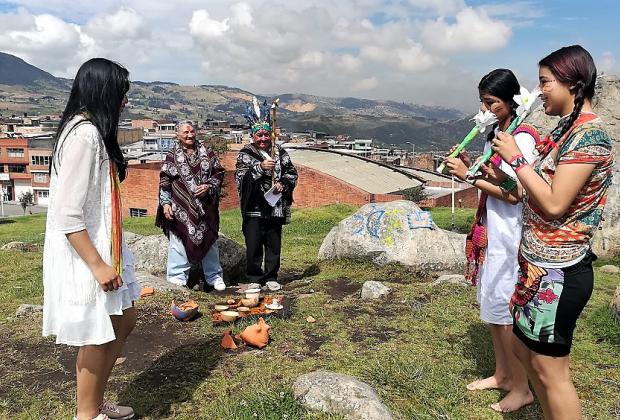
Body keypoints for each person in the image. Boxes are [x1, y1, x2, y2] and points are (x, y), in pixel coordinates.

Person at [492, 45, 614, 420]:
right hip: (537, 267)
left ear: (573, 84)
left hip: (560, 275)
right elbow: (527, 188)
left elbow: (556, 203)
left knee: (551, 371)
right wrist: (486, 171)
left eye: (545, 82)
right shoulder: (565, 130)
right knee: (524, 352)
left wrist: (515, 157)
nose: (539, 90)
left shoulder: (590, 137)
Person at [42, 58, 139, 420]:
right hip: (86, 251)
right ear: (103, 91)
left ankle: (95, 402)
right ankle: (87, 414)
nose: (125, 100)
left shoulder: (91, 131)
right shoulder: (84, 135)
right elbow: (67, 212)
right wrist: (97, 265)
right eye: (121, 93)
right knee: (98, 332)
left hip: (103, 243)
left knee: (123, 320)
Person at [444, 69, 537, 413]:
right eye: (482, 102)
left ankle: (521, 386)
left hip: (510, 234)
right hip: (491, 232)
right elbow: (492, 176)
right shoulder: (495, 134)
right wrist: (471, 165)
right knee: (493, 311)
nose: (485, 109)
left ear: (512, 101)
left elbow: (514, 194)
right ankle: (502, 374)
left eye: (491, 102)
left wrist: (466, 176)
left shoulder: (521, 138)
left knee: (507, 313)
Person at [155, 121, 226, 291]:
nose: (189, 135)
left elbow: (219, 173)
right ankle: (177, 277)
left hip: (206, 207)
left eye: (192, 131)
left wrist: (209, 186)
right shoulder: (172, 155)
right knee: (179, 242)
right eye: (185, 132)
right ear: (178, 135)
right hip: (181, 207)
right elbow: (165, 180)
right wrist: (165, 203)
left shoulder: (207, 152)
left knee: (210, 240)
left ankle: (214, 277)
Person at [235, 98, 298, 287]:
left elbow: (292, 172)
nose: (263, 139)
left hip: (275, 207)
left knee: (273, 243)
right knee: (253, 244)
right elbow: (240, 178)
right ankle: (254, 277)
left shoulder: (279, 152)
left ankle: (271, 276)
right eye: (259, 135)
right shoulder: (245, 154)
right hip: (254, 207)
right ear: (253, 136)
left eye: (265, 135)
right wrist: (260, 168)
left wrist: (283, 183)